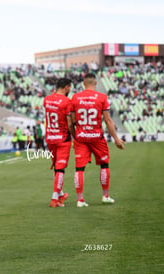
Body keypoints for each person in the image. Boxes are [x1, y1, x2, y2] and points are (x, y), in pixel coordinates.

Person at [69, 73, 125, 207]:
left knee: (79, 169)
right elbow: (108, 120)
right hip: (97, 137)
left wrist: (74, 137)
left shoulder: (75, 98)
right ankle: (105, 196)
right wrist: (116, 139)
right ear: (95, 83)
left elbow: (71, 122)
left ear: (83, 84)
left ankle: (80, 200)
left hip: (81, 138)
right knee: (104, 165)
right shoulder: (102, 98)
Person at [43, 78, 73, 208]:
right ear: (66, 87)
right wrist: (75, 135)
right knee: (60, 168)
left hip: (50, 137)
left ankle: (60, 194)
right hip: (62, 138)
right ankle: (54, 198)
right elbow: (69, 122)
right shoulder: (67, 101)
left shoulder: (47, 99)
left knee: (56, 167)